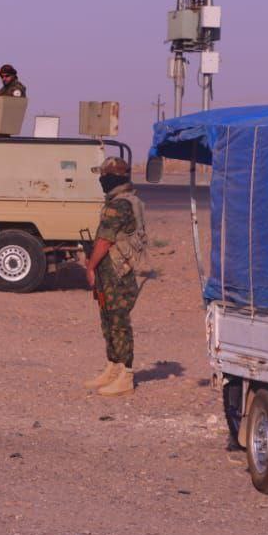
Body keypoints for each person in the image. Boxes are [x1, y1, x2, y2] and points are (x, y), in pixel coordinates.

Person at [83, 156, 148, 396]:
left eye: (104, 176)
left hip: (117, 271)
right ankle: (113, 367)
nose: (101, 180)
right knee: (108, 318)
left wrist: (90, 266)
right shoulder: (126, 200)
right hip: (114, 269)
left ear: (114, 177)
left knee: (118, 321)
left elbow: (104, 240)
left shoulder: (119, 205)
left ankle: (126, 375)